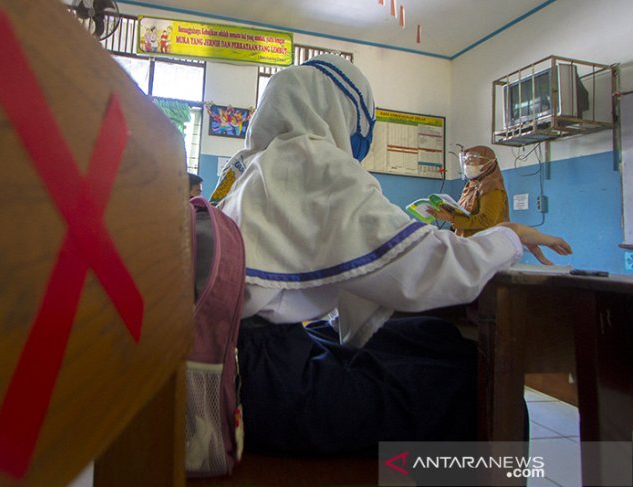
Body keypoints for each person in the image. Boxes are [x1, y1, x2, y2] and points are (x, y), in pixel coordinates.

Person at [210, 54, 571, 455]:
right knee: (469, 386)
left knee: (431, 336)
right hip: (270, 386)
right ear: (340, 109)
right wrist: (509, 235)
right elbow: (430, 272)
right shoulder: (312, 160)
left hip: (245, 357)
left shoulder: (249, 168)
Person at [429, 145, 509, 237]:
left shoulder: (492, 187)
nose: (467, 165)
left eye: (471, 161)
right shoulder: (470, 186)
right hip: (468, 242)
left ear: (487, 163)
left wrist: (451, 218)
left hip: (486, 245)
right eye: (466, 162)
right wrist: (446, 213)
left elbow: (487, 220)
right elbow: (465, 215)